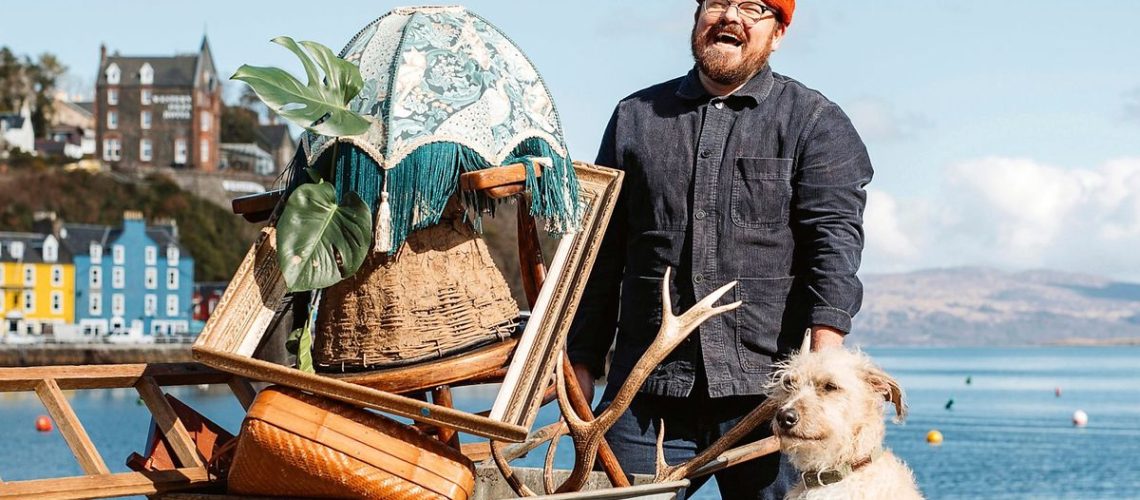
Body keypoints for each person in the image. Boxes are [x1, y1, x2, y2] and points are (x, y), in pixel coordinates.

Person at [566, 0, 873, 497]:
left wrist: (823, 368)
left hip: (768, 398)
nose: (731, 16)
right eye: (718, 3)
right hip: (643, 396)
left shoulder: (816, 122)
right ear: (697, 19)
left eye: (753, 7)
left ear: (777, 34)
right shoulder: (634, 118)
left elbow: (834, 243)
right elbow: (601, 253)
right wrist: (581, 359)